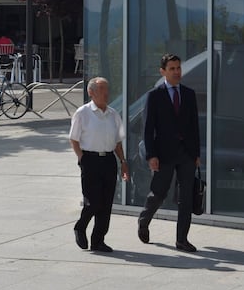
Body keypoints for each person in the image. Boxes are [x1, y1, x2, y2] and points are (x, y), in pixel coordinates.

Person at [138, 53, 200, 252]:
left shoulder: (189, 94)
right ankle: (144, 220)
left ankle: (182, 239)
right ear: (163, 71)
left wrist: (196, 153)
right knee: (159, 193)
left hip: (187, 154)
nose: (176, 72)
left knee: (186, 198)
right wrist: (151, 155)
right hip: (163, 154)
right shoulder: (155, 96)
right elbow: (148, 129)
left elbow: (194, 126)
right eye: (172, 69)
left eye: (178, 68)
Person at [69, 77, 129, 252]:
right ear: (91, 92)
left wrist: (123, 162)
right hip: (90, 160)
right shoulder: (82, 113)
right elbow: (74, 139)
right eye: (101, 89)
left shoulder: (114, 114)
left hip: (109, 160)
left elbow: (118, 142)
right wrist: (82, 159)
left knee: (106, 202)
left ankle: (98, 240)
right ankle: (80, 227)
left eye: (107, 89)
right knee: (93, 202)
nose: (106, 93)